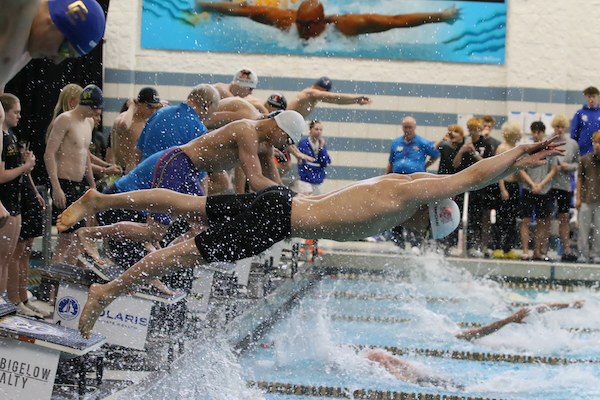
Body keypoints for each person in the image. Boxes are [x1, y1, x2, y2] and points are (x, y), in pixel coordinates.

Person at [56, 137, 563, 337]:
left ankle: (101, 201)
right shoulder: (414, 196)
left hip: (279, 205)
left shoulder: (403, 183)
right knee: (180, 255)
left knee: (190, 208)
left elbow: (458, 184)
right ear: (427, 217)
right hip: (279, 222)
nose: (413, 236)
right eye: (423, 231)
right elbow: (466, 179)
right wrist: (515, 155)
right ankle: (107, 291)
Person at [74, 110, 303, 266]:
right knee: (153, 231)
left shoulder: (265, 145)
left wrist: (296, 202)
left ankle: (157, 266)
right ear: (279, 128)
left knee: (197, 228)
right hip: (178, 162)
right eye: (288, 140)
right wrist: (295, 199)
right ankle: (89, 233)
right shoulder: (247, 130)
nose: (286, 146)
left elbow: (277, 187)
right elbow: (256, 181)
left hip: (190, 173)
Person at [365, 299, 584, 386]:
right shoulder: (456, 337)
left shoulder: (456, 336)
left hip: (439, 380)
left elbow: (535, 309)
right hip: (439, 380)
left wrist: (569, 304)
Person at [195, 0, 459, 41]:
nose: (305, 31)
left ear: (323, 21)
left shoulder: (346, 25)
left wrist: (441, 16)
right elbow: (243, 10)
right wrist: (206, 4)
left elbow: (396, 19)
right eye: (301, 24)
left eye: (310, 25)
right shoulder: (284, 21)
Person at [44, 84, 100, 264]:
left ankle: (64, 283)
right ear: (88, 105)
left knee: (78, 238)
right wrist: (56, 187)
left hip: (79, 186)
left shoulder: (88, 123)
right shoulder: (64, 120)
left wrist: (92, 185)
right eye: (97, 108)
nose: (98, 113)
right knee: (65, 240)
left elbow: (85, 158)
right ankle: (51, 289)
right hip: (64, 184)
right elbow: (49, 153)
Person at [0, 94, 39, 317]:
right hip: (5, 203)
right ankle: (6, 304)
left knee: (8, 258)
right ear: (3, 112)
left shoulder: (11, 136)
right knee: (4, 259)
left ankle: (8, 304)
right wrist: (25, 167)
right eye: (16, 111)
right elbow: (2, 175)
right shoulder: (2, 138)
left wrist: (27, 167)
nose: (19, 116)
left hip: (14, 201)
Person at [386, 116, 439, 248]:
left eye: (410, 127)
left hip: (414, 182)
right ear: (402, 127)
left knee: (415, 211)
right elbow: (391, 162)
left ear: (414, 128)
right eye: (405, 127)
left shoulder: (422, 142)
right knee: (396, 210)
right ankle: (398, 242)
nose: (408, 130)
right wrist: (386, 177)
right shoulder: (396, 142)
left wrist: (424, 167)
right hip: (397, 181)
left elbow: (436, 154)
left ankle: (416, 242)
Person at [453, 117, 495, 258]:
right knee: (458, 215)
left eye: (475, 129)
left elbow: (488, 165)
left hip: (478, 186)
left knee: (475, 217)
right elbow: (455, 165)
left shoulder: (486, 144)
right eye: (470, 129)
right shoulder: (463, 143)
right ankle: (453, 244)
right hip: (464, 184)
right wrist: (461, 151)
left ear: (479, 130)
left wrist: (475, 154)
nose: (472, 132)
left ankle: (472, 245)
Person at [519, 121, 556, 261]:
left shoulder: (548, 149)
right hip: (529, 189)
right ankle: (525, 250)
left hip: (544, 190)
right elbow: (521, 168)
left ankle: (537, 250)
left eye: (538, 132)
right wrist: (532, 184)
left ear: (542, 133)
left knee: (542, 221)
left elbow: (553, 170)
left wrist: (540, 184)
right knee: (525, 220)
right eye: (533, 131)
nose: (535, 134)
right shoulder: (527, 149)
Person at [106, 87, 163, 175]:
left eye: (156, 107)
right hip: (120, 172)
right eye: (150, 106)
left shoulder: (147, 122)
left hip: (137, 173)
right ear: (139, 103)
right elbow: (123, 126)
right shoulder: (125, 117)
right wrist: (131, 106)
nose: (153, 111)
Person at [549, 115, 580, 262]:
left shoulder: (572, 144)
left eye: (562, 127)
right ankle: (543, 249)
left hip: (564, 185)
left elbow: (578, 164)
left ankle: (566, 249)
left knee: (564, 218)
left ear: (565, 128)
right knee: (545, 217)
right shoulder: (547, 142)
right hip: (548, 185)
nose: (559, 130)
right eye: (557, 127)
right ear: (553, 127)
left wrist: (568, 167)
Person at [491, 122, 523, 260]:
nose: (521, 134)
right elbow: (498, 171)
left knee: (511, 219)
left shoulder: (516, 148)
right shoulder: (502, 148)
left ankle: (508, 247)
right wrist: (502, 189)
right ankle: (497, 247)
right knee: (501, 217)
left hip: (514, 186)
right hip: (504, 186)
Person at [434, 124, 465, 253]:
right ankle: (440, 242)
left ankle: (452, 243)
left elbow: (457, 165)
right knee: (441, 214)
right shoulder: (445, 146)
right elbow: (432, 150)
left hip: (457, 183)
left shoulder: (463, 147)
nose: (451, 133)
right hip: (442, 183)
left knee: (455, 214)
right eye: (450, 131)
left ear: (461, 135)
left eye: (455, 132)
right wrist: (442, 139)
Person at [287, 76, 371, 118]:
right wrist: (355, 98)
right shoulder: (310, 93)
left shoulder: (312, 96)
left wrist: (355, 101)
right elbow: (333, 97)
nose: (326, 94)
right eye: (326, 92)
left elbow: (335, 101)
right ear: (322, 89)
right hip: (281, 125)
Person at [575, 131, 600, 263]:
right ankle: (582, 253)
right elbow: (579, 179)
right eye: (595, 142)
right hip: (586, 199)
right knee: (583, 229)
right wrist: (578, 197)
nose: (597, 145)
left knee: (598, 230)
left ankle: (596, 253)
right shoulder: (584, 160)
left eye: (599, 143)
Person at [296, 120, 331, 195]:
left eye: (320, 130)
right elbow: (303, 162)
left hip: (318, 179)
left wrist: (321, 148)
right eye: (316, 129)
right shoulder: (304, 143)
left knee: (317, 202)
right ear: (310, 130)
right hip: (306, 179)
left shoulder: (322, 144)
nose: (319, 132)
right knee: (306, 201)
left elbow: (324, 162)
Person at [571, 86, 600, 157]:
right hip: (583, 151)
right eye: (589, 97)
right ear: (586, 97)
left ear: (598, 97)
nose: (591, 99)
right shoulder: (579, 113)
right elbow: (574, 133)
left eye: (593, 96)